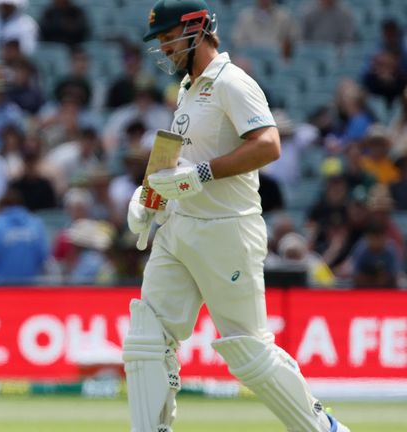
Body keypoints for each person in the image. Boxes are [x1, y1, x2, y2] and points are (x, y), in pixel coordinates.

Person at [124, 1, 350, 432]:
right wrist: (147, 196)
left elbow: (268, 145)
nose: (165, 48)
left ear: (195, 30)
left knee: (248, 351)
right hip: (178, 229)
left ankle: (327, 429)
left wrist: (202, 174)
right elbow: (179, 162)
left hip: (226, 230)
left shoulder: (233, 82)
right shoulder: (189, 89)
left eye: (169, 37)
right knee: (147, 338)